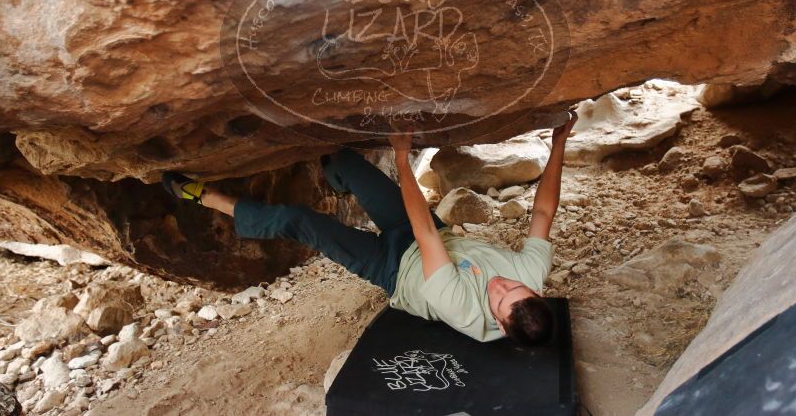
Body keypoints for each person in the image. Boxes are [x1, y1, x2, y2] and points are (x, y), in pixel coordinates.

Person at [162, 111, 577, 346]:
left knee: (302, 222)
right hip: (431, 235)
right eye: (514, 287)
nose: (501, 285)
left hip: (393, 267)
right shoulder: (529, 277)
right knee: (343, 162)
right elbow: (542, 213)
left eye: (501, 299)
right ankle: (333, 175)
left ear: (500, 326)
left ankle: (204, 196)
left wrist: (400, 158)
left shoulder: (464, 309)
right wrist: (559, 143)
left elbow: (425, 235)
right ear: (536, 290)